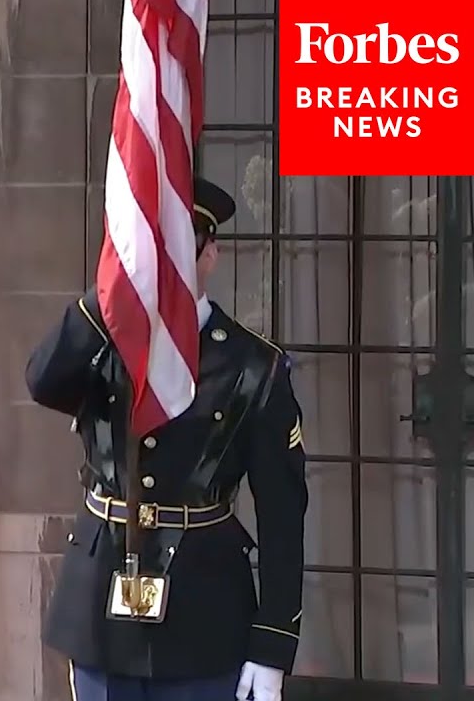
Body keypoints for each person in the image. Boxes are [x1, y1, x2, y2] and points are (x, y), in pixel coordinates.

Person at [24, 178, 308, 701]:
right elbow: (43, 380)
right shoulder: (101, 342)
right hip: (101, 608)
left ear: (211, 255)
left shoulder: (253, 365)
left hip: (202, 614)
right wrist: (109, 294)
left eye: (180, 249)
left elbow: (283, 516)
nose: (165, 267)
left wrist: (272, 646)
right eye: (151, 251)